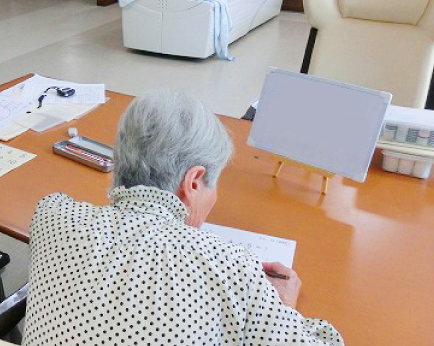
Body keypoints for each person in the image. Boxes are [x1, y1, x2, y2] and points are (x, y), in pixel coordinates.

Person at [22, 91, 344, 346]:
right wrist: (280, 308)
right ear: (193, 182)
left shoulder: (51, 214)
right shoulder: (232, 267)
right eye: (214, 184)